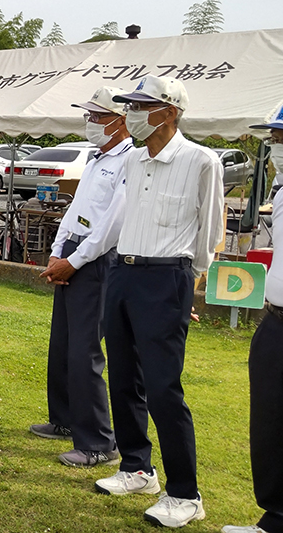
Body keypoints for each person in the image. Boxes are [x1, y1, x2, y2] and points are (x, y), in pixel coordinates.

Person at [95, 76, 222, 528]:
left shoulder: (200, 160)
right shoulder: (134, 160)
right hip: (123, 271)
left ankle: (185, 494)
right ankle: (136, 467)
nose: (130, 114)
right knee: (124, 375)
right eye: (130, 105)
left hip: (167, 275)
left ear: (168, 111)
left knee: (164, 385)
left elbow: (209, 231)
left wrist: (189, 285)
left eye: (140, 106)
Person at [33, 87, 132, 467]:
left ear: (120, 120)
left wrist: (75, 260)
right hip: (75, 250)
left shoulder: (129, 160)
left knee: (85, 351)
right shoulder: (96, 158)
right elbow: (76, 211)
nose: (90, 123)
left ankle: (98, 442)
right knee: (62, 346)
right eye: (88, 115)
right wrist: (58, 250)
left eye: (97, 116)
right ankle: (64, 419)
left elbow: (112, 224)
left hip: (97, 258)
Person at [221, 101, 283, 533]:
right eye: (276, 139)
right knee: (270, 421)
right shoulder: (282, 191)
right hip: (276, 321)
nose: (276, 147)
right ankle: (275, 516)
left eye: (281, 139)